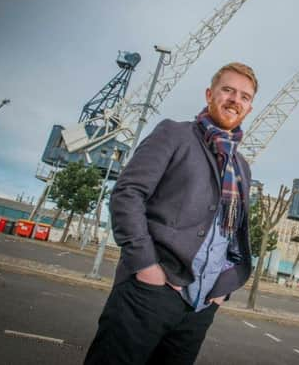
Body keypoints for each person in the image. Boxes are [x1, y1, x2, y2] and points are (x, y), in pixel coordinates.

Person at [85, 62, 257, 365]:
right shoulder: (174, 134)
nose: (235, 100)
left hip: (200, 307)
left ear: (249, 107)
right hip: (150, 291)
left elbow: (231, 232)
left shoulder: (241, 166)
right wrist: (146, 266)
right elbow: (128, 193)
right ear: (209, 94)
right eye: (227, 90)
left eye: (244, 96)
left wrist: (222, 289)